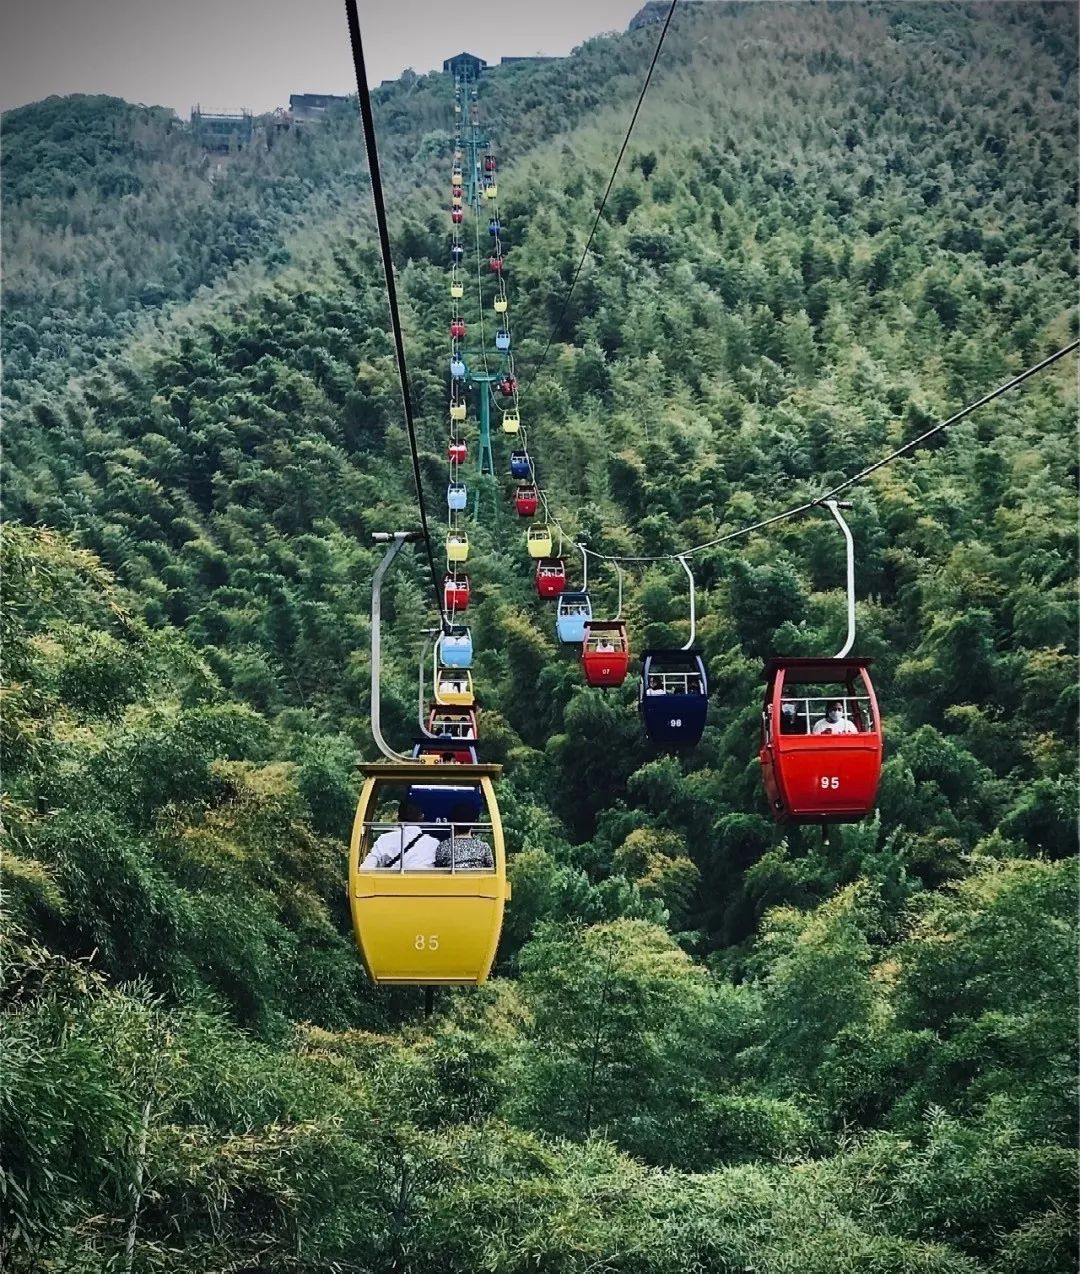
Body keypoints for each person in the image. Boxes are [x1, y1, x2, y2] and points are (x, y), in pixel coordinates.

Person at [361, 801, 439, 869]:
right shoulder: (434, 844)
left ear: (398, 818)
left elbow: (366, 868)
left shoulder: (384, 840)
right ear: (422, 817)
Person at [435, 801, 494, 869]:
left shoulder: (444, 846)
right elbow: (490, 869)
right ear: (474, 822)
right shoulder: (484, 847)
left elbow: (438, 869)